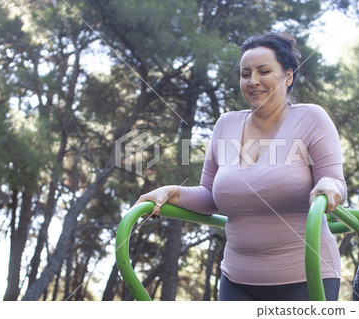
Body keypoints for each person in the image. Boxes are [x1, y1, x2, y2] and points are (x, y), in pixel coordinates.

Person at [135, 33, 347, 301]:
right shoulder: (226, 124)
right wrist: (170, 192)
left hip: (306, 278)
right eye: (245, 73)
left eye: (264, 71)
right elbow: (210, 197)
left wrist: (328, 185)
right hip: (236, 281)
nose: (253, 80)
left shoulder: (311, 118)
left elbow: (334, 181)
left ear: (288, 76)